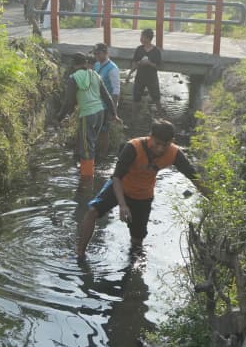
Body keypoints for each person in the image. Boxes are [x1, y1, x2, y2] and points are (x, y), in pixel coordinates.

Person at [76, 119, 201, 257]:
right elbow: (116, 177)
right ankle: (80, 254)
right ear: (150, 136)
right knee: (92, 211)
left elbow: (194, 177)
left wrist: (212, 198)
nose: (160, 149)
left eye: (165, 145)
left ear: (171, 141)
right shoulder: (133, 147)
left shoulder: (175, 153)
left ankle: (134, 263)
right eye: (157, 143)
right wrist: (122, 205)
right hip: (121, 185)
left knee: (137, 240)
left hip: (143, 195)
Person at [57, 52, 119, 178]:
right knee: (89, 143)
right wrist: (114, 114)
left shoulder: (74, 78)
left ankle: (87, 178)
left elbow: (69, 101)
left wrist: (60, 117)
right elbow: (107, 97)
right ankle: (86, 168)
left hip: (88, 115)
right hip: (100, 113)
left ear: (73, 64)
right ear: (85, 62)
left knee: (86, 147)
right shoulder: (95, 74)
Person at [130, 28, 162, 108]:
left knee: (156, 98)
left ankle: (160, 114)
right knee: (136, 99)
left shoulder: (156, 51)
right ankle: (134, 114)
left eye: (142, 37)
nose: (141, 39)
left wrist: (149, 63)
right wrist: (129, 74)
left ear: (148, 38)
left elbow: (158, 66)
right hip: (139, 78)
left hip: (152, 79)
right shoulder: (139, 49)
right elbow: (134, 62)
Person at [92, 42, 120, 108]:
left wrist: (113, 109)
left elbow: (116, 90)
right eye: (95, 53)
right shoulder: (96, 65)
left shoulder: (112, 68)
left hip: (106, 106)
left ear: (106, 53)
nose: (96, 55)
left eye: (99, 53)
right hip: (96, 105)